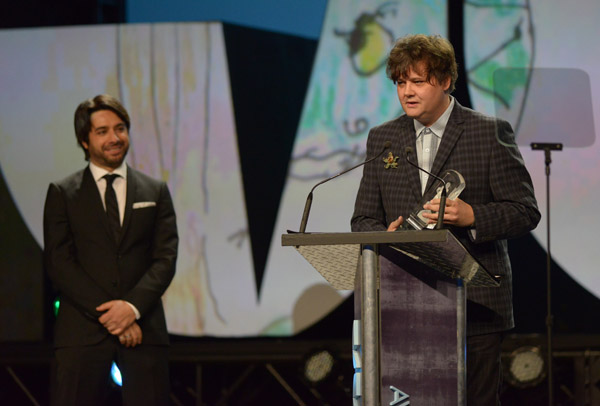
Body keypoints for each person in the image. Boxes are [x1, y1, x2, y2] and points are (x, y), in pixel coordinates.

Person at [351, 34, 540, 405]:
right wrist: (384, 235)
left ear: (445, 80)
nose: (407, 91)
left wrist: (473, 215)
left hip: (475, 303)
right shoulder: (383, 138)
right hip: (405, 302)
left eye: (417, 81)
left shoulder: (488, 132)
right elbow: (363, 219)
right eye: (400, 83)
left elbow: (525, 210)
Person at [43, 94, 178, 406]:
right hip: (82, 334)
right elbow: (60, 263)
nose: (114, 138)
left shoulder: (155, 190)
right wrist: (113, 315)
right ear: (84, 141)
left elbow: (165, 258)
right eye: (102, 131)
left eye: (120, 128)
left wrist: (131, 309)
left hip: (144, 329)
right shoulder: (63, 193)